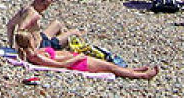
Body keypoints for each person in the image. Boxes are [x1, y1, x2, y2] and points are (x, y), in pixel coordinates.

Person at [14, 31, 158, 80]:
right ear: (28, 41)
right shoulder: (36, 57)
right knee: (111, 67)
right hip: (78, 63)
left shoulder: (33, 53)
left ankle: (135, 71)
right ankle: (141, 75)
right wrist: (77, 57)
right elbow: (59, 65)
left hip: (76, 59)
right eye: (32, 38)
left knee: (111, 66)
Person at [6, 0, 80, 50]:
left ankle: (60, 45)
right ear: (38, 0)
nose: (45, 9)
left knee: (57, 24)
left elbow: (10, 25)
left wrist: (10, 44)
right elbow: (21, 30)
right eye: (44, 5)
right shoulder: (33, 14)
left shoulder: (24, 10)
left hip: (41, 38)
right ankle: (58, 47)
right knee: (75, 32)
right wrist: (24, 48)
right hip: (42, 46)